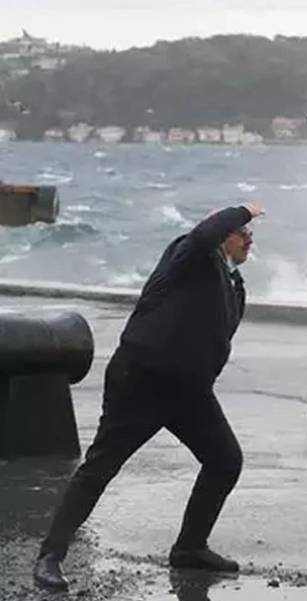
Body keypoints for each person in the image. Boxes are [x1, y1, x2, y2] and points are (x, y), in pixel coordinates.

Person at [33, 203, 264, 591]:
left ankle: (190, 548)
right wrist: (241, 210)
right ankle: (49, 557)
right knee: (100, 468)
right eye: (242, 232)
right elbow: (203, 234)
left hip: (188, 391)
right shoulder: (189, 254)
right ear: (223, 233)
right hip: (141, 382)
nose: (250, 238)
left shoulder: (233, 283)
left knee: (225, 460)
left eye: (249, 232)